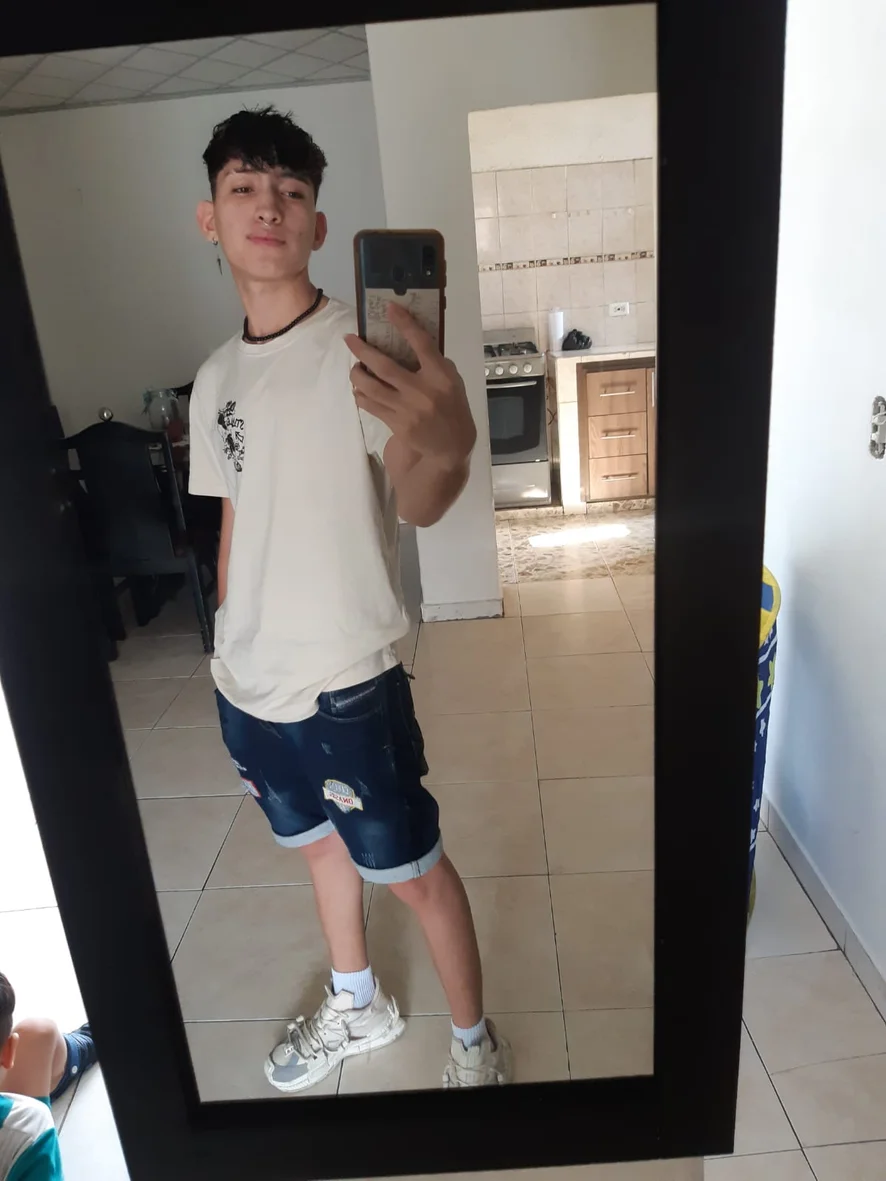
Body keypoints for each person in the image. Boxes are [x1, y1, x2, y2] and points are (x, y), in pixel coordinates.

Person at [188, 105, 512, 1093]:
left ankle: (474, 1045)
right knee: (320, 852)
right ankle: (358, 1001)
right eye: (244, 187)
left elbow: (417, 496)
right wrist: (226, 645)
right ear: (210, 217)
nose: (268, 206)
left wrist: (449, 446)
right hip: (249, 685)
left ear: (319, 224)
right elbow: (235, 517)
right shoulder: (214, 379)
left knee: (412, 872)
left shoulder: (363, 352)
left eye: (290, 190)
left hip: (346, 685)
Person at [0, 972, 97, 1180]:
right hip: (18, 1137)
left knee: (37, 1033)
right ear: (8, 1052)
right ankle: (87, 1043)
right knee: (38, 1035)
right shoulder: (28, 1129)